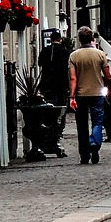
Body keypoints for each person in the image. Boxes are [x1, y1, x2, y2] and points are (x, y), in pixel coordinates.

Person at [68, 26, 111, 165]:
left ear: (80, 40)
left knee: (82, 124)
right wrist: (109, 90)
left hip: (81, 94)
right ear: (92, 38)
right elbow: (108, 77)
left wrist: (72, 96)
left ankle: (84, 155)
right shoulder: (100, 54)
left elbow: (73, 78)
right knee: (97, 121)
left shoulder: (74, 56)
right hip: (97, 93)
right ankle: (94, 143)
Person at [37, 30, 71, 158]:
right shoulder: (64, 51)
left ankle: (48, 133)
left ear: (51, 39)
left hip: (47, 84)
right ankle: (57, 134)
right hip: (60, 85)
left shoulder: (46, 51)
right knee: (60, 110)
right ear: (60, 39)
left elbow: (40, 63)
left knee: (47, 110)